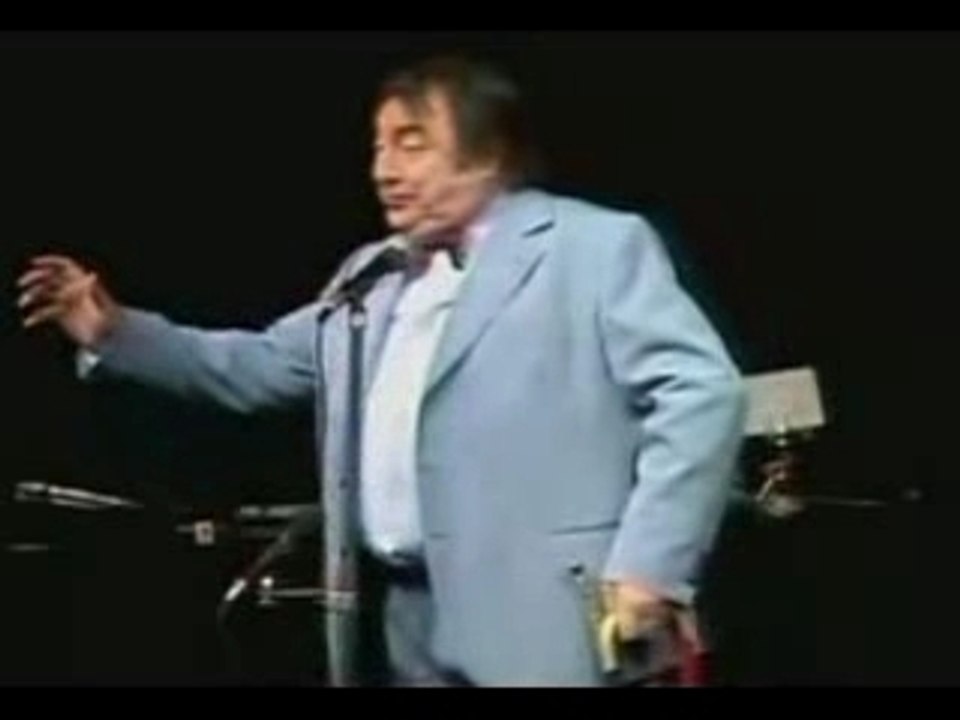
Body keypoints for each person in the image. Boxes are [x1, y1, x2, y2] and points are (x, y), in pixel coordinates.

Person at [15, 54, 746, 686]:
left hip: (551, 622)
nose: (383, 170)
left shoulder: (592, 247)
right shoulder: (372, 275)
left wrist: (651, 564)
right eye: (378, 147)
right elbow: (261, 365)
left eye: (411, 143)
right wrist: (113, 332)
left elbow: (701, 394)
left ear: (487, 153)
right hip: (404, 624)